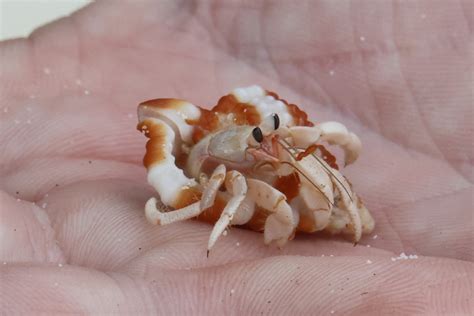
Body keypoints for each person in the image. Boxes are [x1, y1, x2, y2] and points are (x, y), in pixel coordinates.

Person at [1, 1, 472, 314]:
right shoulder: (214, 154)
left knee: (301, 166)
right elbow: (229, 186)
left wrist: (330, 162)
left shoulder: (263, 139)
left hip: (237, 156)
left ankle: (344, 212)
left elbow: (319, 140)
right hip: (220, 176)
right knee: (260, 194)